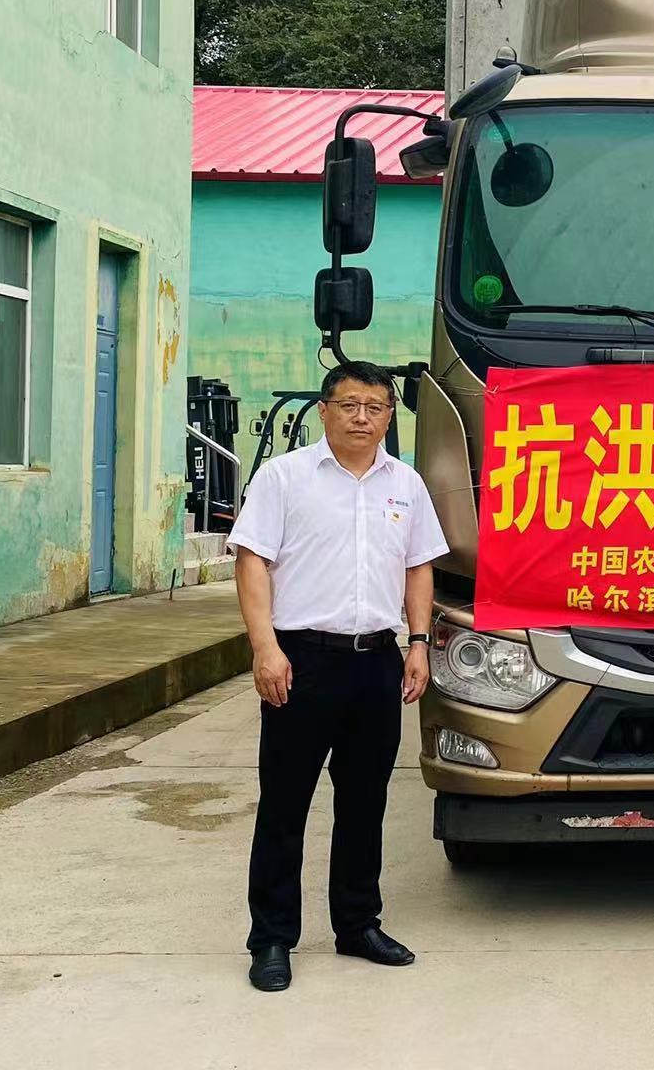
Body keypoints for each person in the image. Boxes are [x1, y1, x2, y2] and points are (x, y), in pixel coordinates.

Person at [225, 361, 449, 993]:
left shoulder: (405, 484)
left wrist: (418, 643)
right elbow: (251, 562)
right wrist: (265, 648)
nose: (361, 418)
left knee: (364, 802)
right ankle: (272, 939)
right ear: (324, 411)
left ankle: (356, 924)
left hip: (377, 662)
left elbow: (418, 568)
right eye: (349, 405)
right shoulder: (285, 477)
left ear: (389, 416)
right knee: (285, 803)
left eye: (375, 407)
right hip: (302, 661)